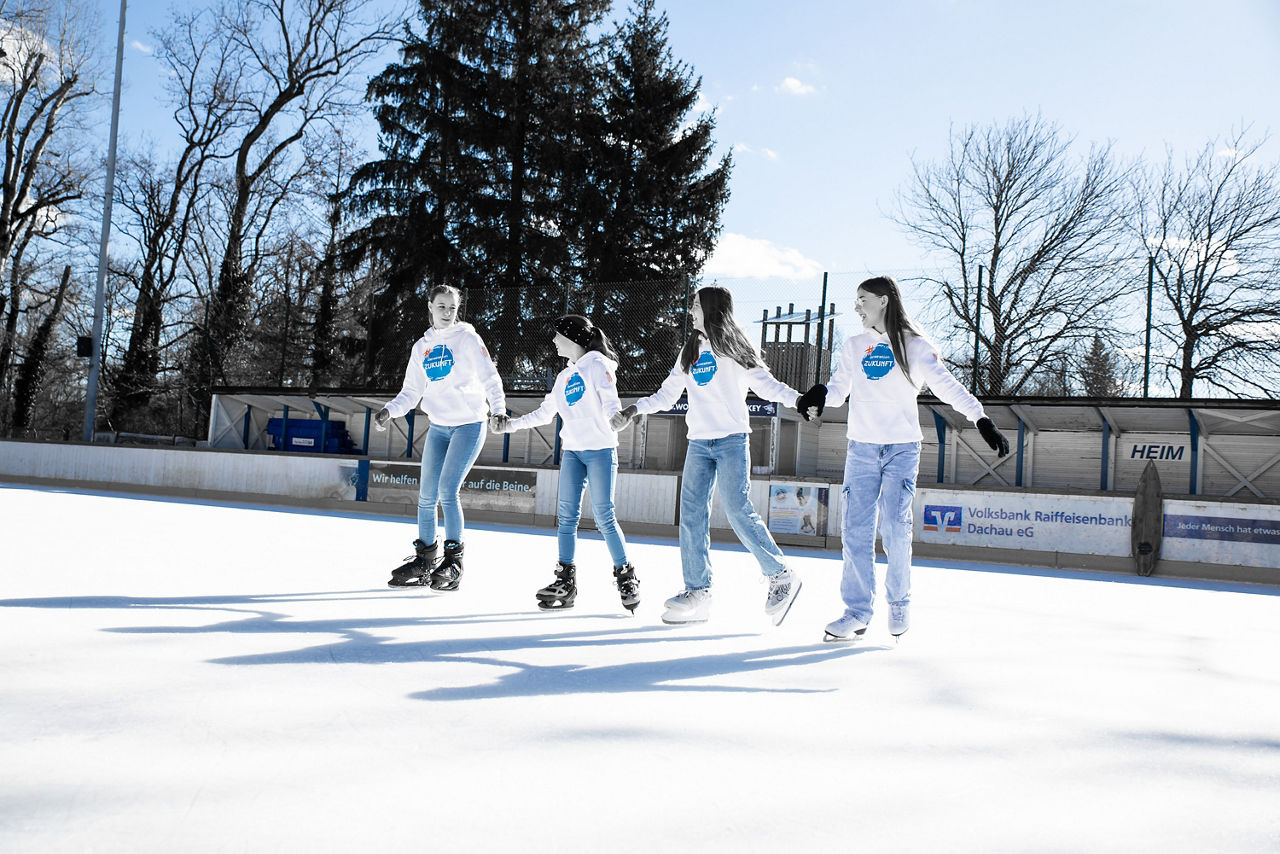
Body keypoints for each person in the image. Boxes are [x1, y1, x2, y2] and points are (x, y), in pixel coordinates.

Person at [796, 275, 1010, 641]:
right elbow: (836, 391)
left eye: (862, 299)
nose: (857, 306)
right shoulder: (854, 345)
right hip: (861, 449)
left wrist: (980, 417)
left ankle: (899, 603)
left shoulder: (914, 346)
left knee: (895, 528)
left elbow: (946, 386)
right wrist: (814, 396)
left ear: (883, 300)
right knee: (855, 532)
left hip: (901, 449)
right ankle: (857, 612)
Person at [611, 285, 804, 626]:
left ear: (713, 309)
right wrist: (634, 409)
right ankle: (698, 591)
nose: (691, 311)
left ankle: (781, 574)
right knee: (691, 515)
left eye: (696, 305)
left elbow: (767, 385)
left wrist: (799, 400)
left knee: (737, 509)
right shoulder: (689, 351)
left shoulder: (735, 346)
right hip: (699, 444)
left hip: (731, 441)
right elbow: (667, 395)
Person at [490, 315, 640, 614]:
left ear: (573, 339)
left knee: (604, 516)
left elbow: (611, 401)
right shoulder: (564, 378)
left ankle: (626, 576)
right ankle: (565, 582)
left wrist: (616, 418)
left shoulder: (597, 365)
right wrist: (510, 426)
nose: (554, 341)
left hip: (599, 449)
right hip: (573, 452)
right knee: (566, 517)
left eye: (558, 336)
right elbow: (544, 414)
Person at [374, 284, 507, 591]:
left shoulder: (468, 338)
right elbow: (411, 391)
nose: (447, 312)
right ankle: (424, 560)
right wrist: (389, 411)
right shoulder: (421, 347)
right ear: (430, 307)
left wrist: (498, 409)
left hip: (469, 424)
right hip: (439, 427)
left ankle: (454, 562)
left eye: (452, 307)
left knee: (448, 490)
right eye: (442, 306)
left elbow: (490, 375)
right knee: (425, 495)